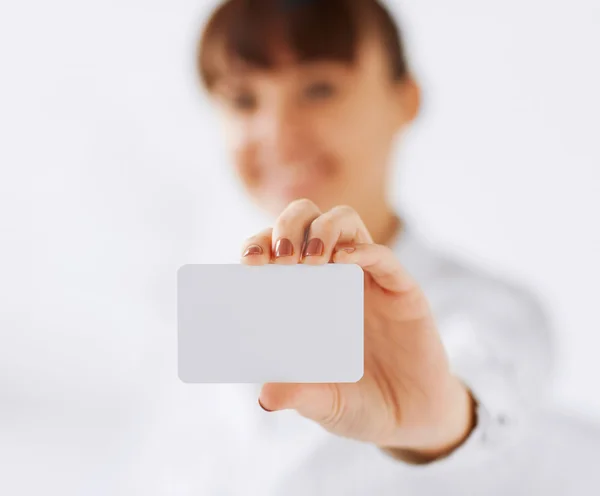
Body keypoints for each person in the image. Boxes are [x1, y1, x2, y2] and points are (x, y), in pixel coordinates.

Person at [153, 0, 564, 493]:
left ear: (405, 100)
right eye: (243, 100)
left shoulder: (492, 313)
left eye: (319, 89)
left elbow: (488, 403)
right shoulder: (190, 316)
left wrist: (433, 422)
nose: (277, 133)